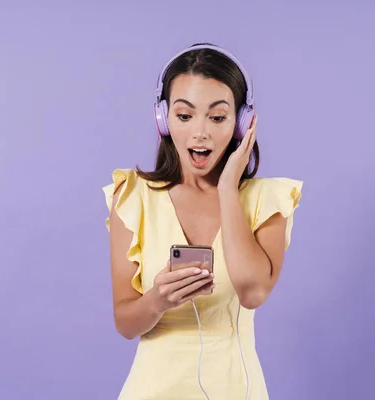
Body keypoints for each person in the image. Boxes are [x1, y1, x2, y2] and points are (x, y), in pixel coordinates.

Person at [102, 43, 303, 399]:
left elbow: (253, 292)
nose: (200, 133)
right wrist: (157, 300)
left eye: (217, 116)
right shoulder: (133, 198)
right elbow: (125, 323)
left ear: (241, 124)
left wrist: (228, 187)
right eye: (184, 115)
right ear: (163, 120)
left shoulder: (266, 201)